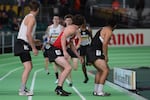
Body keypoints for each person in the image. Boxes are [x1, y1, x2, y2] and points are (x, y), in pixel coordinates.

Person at [47, 14, 84, 96]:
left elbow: (71, 45)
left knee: (64, 69)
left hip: (57, 50)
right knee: (68, 67)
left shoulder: (74, 30)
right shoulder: (72, 29)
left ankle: (59, 88)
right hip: (55, 50)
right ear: (82, 24)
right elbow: (63, 37)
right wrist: (64, 51)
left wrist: (78, 56)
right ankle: (59, 88)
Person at [14, 1, 40, 96]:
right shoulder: (32, 19)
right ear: (38, 10)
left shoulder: (27, 16)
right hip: (22, 44)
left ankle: (23, 88)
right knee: (28, 67)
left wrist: (35, 41)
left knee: (29, 67)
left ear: (29, 8)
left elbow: (27, 34)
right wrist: (34, 48)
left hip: (21, 42)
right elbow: (28, 34)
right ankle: (22, 90)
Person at [86, 18, 117, 96]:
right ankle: (100, 92)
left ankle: (96, 91)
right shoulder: (109, 31)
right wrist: (106, 56)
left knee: (100, 71)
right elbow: (105, 44)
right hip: (96, 52)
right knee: (105, 71)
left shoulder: (103, 28)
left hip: (91, 51)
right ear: (114, 26)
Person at [45, 15, 64, 83]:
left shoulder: (61, 27)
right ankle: (57, 78)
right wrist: (46, 43)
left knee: (60, 63)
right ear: (52, 20)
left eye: (57, 19)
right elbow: (47, 36)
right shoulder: (49, 27)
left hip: (59, 46)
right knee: (54, 63)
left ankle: (62, 76)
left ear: (59, 20)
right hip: (51, 46)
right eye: (54, 19)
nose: (55, 20)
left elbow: (63, 37)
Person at [64, 14, 81, 86]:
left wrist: (77, 46)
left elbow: (71, 41)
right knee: (68, 66)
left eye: (70, 20)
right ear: (65, 21)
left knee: (75, 67)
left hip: (70, 48)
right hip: (64, 49)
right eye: (67, 20)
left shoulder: (74, 29)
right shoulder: (62, 29)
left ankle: (63, 75)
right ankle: (70, 81)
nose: (68, 21)